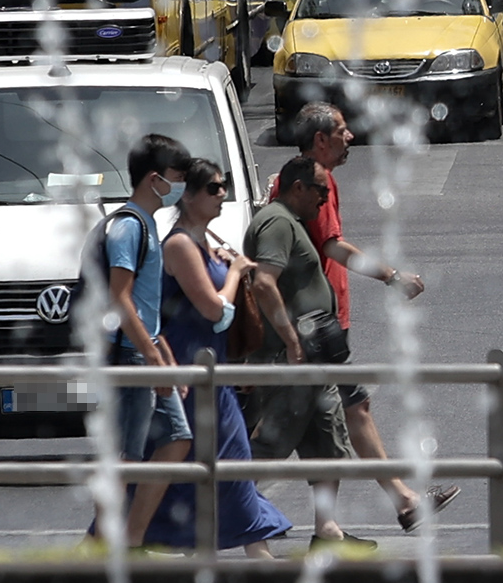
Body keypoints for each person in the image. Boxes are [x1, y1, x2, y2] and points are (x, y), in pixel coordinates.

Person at [285, 102, 459, 530]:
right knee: (340, 413)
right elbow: (333, 247)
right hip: (314, 326)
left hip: (322, 323)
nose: (351, 138)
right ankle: (401, 501)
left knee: (327, 422)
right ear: (320, 140)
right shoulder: (309, 184)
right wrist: (391, 275)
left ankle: (335, 524)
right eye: (342, 132)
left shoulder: (315, 181)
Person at [137, 159, 293, 557]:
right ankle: (251, 558)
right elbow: (214, 311)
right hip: (189, 375)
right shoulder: (179, 244)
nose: (221, 194)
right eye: (212, 188)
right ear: (188, 195)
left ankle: (228, 559)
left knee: (218, 469)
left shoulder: (207, 240)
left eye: (223, 186)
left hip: (213, 371)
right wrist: (238, 271)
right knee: (215, 466)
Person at [243, 156, 368, 549]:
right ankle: (217, 506)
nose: (324, 197)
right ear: (298, 187)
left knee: (329, 442)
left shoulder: (292, 222)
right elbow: (264, 283)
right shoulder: (277, 223)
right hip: (291, 360)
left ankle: (327, 531)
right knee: (270, 447)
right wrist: (292, 339)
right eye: (320, 190)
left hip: (315, 361)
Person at [90, 134, 197, 549]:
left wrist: (162, 354)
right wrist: (152, 357)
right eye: (177, 176)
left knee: (175, 439)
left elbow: (146, 306)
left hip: (145, 350)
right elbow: (122, 298)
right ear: (154, 179)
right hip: (131, 355)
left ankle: (128, 539)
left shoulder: (148, 224)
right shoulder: (129, 227)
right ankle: (104, 547)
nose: (181, 185)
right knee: (124, 458)